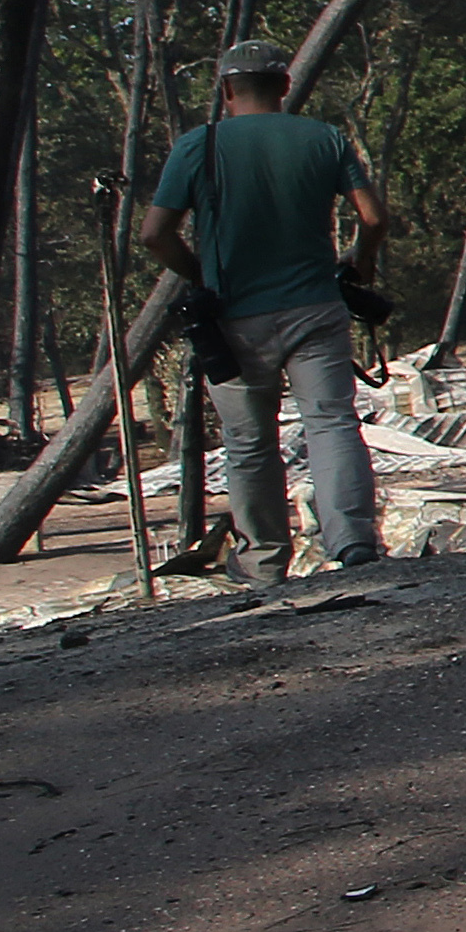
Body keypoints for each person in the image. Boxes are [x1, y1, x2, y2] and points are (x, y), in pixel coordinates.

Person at [138, 40, 389, 584]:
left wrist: (202, 274)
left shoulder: (195, 147)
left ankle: (264, 561)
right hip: (315, 308)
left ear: (226, 90)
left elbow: (154, 234)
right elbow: (372, 217)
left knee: (250, 441)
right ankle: (352, 543)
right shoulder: (324, 138)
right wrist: (360, 264)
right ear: (285, 86)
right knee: (332, 423)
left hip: (233, 319)